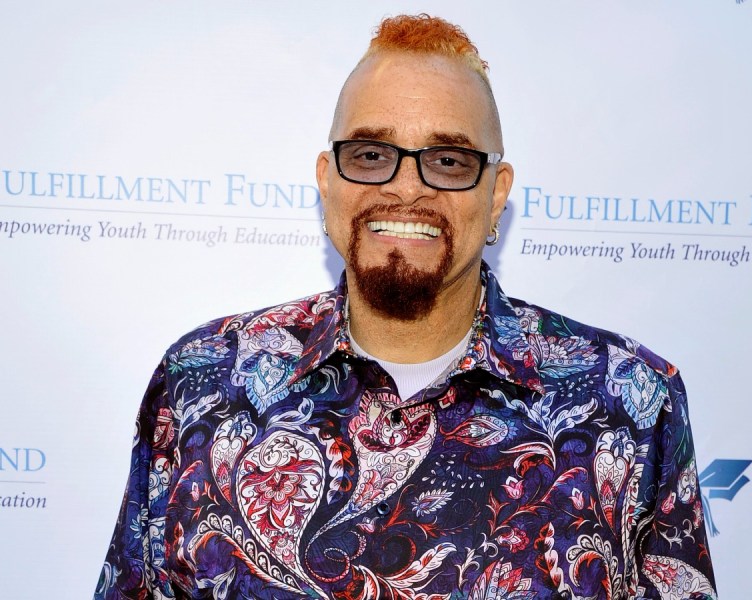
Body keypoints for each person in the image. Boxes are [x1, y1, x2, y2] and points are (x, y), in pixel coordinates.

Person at [96, 14, 717, 600]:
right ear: (326, 178)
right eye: (371, 155)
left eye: (449, 161)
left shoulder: (629, 402)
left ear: (497, 193)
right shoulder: (201, 379)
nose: (406, 187)